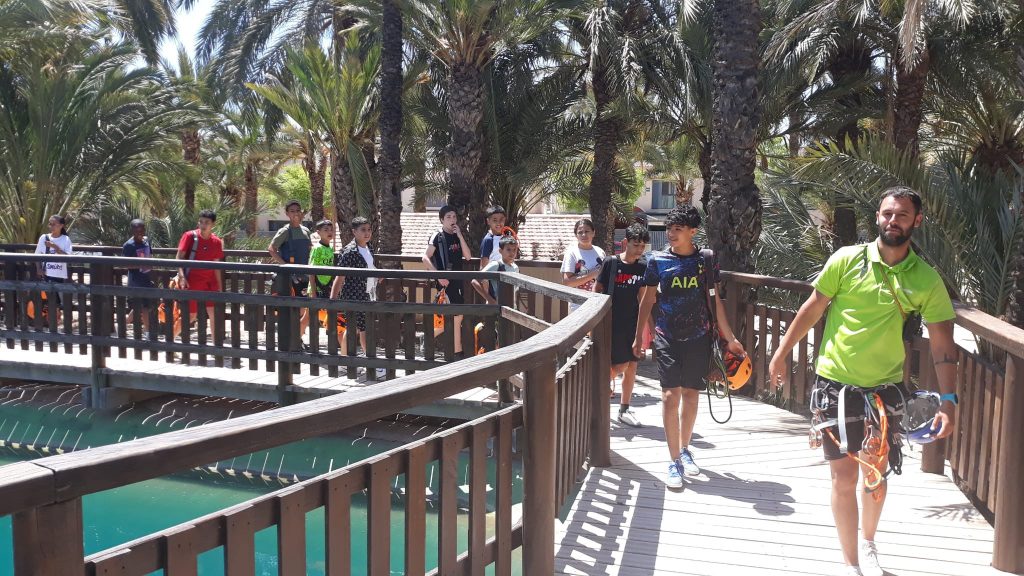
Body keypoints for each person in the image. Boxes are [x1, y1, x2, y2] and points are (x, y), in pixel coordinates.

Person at [768, 187, 957, 576]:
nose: (893, 220)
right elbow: (812, 309)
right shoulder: (846, 259)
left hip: (885, 391)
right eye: (887, 213)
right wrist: (780, 353)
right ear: (877, 217)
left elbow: (942, 344)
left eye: (902, 215)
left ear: (917, 221)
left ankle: (868, 544)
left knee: (875, 472)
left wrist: (950, 399)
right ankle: (851, 561)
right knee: (843, 477)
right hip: (834, 385)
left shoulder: (926, 280)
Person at [632, 205, 744, 488]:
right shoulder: (656, 260)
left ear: (693, 231)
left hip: (699, 337)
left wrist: (730, 338)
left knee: (691, 396)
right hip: (666, 337)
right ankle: (673, 462)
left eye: (678, 229)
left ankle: (684, 450)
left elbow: (714, 300)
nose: (671, 234)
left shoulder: (706, 260)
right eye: (669, 228)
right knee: (670, 396)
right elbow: (647, 300)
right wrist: (638, 336)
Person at [595, 223, 649, 428]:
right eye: (636, 244)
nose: (639, 249)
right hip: (611, 322)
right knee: (619, 365)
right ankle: (597, 390)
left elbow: (643, 298)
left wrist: (646, 327)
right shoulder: (611, 263)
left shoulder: (643, 267)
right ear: (626, 242)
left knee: (632, 365)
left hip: (632, 322)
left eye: (643, 246)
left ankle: (624, 409)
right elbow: (596, 291)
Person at [331, 217, 385, 379]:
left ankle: (344, 362)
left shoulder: (369, 247)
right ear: (354, 232)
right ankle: (372, 364)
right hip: (354, 295)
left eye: (369, 229)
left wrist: (377, 275)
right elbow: (340, 276)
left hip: (367, 293)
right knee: (363, 329)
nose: (367, 233)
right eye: (363, 230)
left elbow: (370, 266)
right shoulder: (350, 252)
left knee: (354, 328)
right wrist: (332, 299)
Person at [422, 205, 472, 358]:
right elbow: (425, 258)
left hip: (458, 281)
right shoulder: (437, 236)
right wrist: (438, 276)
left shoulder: (457, 236)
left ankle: (429, 337)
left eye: (454, 216)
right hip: (444, 282)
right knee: (457, 316)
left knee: (457, 316)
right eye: (449, 217)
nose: (452, 219)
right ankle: (457, 351)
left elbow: (468, 257)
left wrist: (460, 236)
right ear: (442, 220)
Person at [174, 209, 224, 340]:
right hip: (193, 280)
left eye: (207, 222)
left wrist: (220, 287)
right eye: (201, 221)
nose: (203, 225)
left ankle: (215, 346)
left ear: (213, 224)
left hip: (210, 281)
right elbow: (178, 257)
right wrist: (182, 277)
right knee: (191, 316)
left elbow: (217, 266)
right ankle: (170, 338)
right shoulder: (189, 236)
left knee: (214, 314)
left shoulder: (216, 242)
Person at [268, 199, 313, 336]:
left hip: (305, 275)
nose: (295, 213)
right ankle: (292, 339)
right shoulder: (285, 231)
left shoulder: (306, 231)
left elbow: (310, 250)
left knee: (304, 309)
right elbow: (272, 249)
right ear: (287, 213)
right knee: (293, 309)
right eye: (292, 211)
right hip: (290, 277)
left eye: (298, 210)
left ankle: (298, 338)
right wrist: (285, 265)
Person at [561, 218, 606, 310]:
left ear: (593, 233)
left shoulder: (600, 252)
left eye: (587, 231)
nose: (584, 235)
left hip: (599, 303)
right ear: (576, 235)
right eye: (580, 232)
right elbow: (567, 282)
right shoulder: (571, 253)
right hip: (579, 306)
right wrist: (592, 274)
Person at [34, 215, 73, 323]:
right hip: (47, 273)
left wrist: (55, 247)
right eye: (50, 224)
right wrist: (38, 268)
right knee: (51, 298)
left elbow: (68, 257)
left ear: (61, 226)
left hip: (60, 274)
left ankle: (57, 316)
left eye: (53, 224)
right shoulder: (44, 238)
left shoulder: (65, 239)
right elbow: (37, 255)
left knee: (57, 299)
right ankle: (53, 319)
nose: (51, 226)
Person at [123, 219, 154, 335]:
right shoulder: (128, 245)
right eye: (137, 231)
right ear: (132, 231)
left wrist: (149, 264)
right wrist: (141, 264)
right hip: (135, 279)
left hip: (146, 277)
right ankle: (147, 331)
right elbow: (126, 264)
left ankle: (124, 325)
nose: (139, 233)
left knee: (144, 306)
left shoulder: (146, 241)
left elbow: (150, 255)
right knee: (140, 306)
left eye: (141, 230)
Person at [472, 232, 520, 305]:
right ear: (500, 251)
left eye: (514, 250)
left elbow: (515, 291)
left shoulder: (515, 268)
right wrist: (490, 300)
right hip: (495, 308)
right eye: (508, 249)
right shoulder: (496, 265)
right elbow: (475, 281)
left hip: (510, 307)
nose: (512, 253)